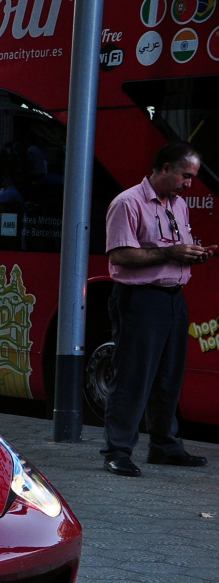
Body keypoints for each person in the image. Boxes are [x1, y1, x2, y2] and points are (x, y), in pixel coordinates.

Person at [101, 142, 216, 476]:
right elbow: (120, 255)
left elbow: (175, 249)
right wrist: (172, 254)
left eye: (192, 177)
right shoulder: (128, 202)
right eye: (185, 175)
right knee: (133, 377)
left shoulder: (178, 205)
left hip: (173, 297)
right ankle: (116, 451)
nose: (189, 184)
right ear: (165, 168)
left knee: (169, 376)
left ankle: (165, 446)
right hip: (141, 299)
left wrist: (195, 254)